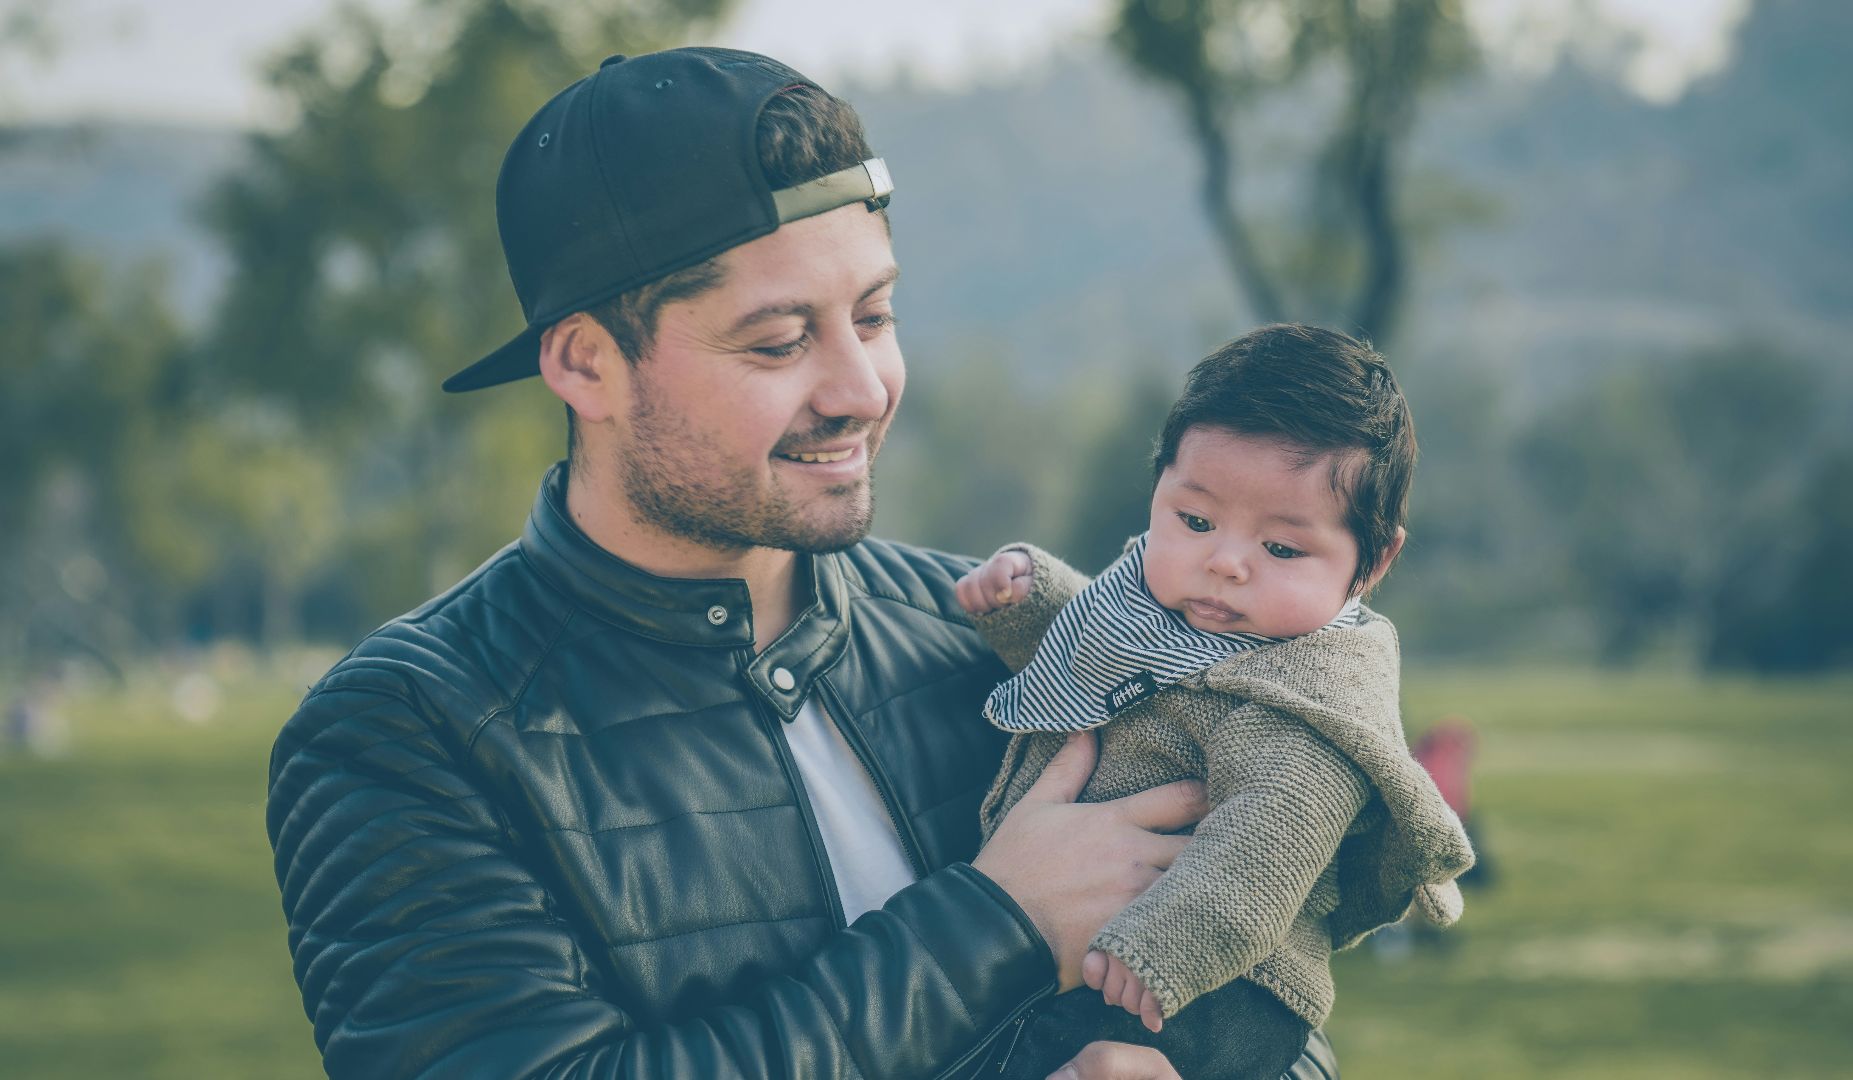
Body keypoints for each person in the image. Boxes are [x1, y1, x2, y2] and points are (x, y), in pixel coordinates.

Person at [263, 48, 1342, 1078]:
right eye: (780, 342)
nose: (862, 389)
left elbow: (1279, 1000)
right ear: (588, 364)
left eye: (874, 316)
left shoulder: (1000, 632)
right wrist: (998, 922)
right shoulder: (407, 734)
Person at [955, 325, 1476, 1077]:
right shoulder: (1163, 603)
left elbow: (1267, 845)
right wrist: (1028, 597)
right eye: (1195, 522)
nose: (1225, 562)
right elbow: (1102, 646)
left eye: (1282, 548)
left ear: (1374, 561)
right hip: (1097, 941)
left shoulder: (1307, 704)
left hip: (1215, 986)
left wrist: (1163, 948)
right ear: (1158, 490)